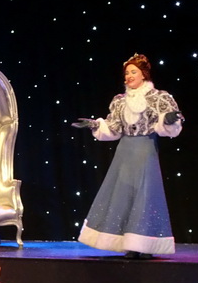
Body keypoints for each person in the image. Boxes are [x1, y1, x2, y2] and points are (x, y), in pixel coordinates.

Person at [73, 53, 184, 258]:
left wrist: (168, 120)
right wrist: (96, 125)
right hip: (125, 151)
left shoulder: (159, 97)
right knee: (123, 194)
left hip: (144, 148)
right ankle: (128, 244)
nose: (129, 76)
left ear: (143, 74)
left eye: (133, 72)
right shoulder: (119, 101)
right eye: (126, 73)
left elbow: (169, 123)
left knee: (145, 195)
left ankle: (145, 244)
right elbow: (114, 128)